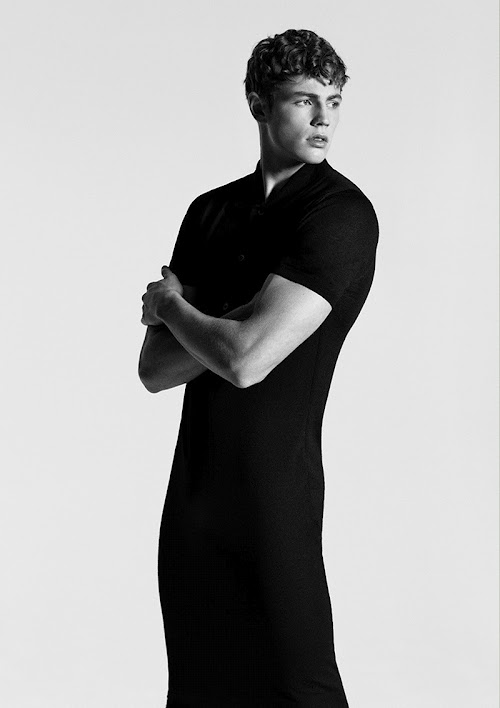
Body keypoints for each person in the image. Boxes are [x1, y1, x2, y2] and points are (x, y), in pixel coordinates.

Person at [139, 28, 379, 708]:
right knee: (199, 693)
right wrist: (235, 322)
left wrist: (174, 306)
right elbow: (155, 369)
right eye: (305, 100)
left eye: (334, 101)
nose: (325, 118)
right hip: (192, 504)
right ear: (259, 105)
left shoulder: (339, 215)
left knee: (302, 691)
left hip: (275, 501)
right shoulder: (209, 212)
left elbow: (247, 361)